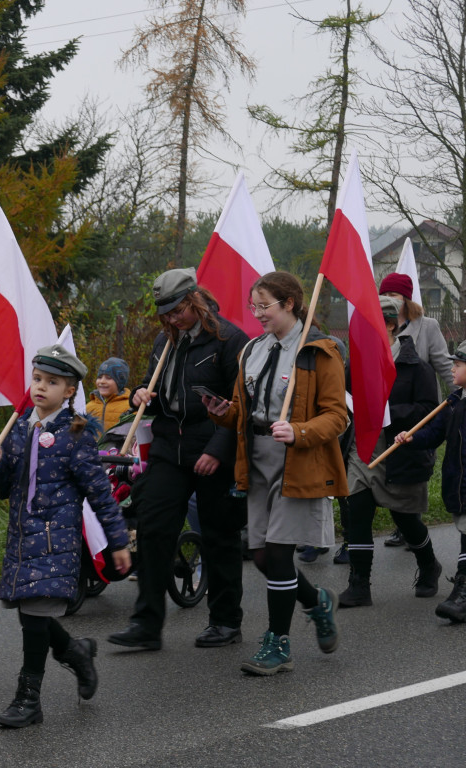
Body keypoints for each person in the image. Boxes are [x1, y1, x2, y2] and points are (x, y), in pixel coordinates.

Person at [0, 345, 131, 728]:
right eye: (37, 379)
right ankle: (77, 653)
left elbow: (99, 492)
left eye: (52, 382)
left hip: (54, 541)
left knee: (33, 617)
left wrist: (117, 540)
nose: (41, 387)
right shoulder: (20, 427)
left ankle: (28, 699)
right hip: (21, 538)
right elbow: (3, 488)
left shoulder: (75, 435)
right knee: (32, 616)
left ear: (69, 391)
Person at [204, 271, 346, 676]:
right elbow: (242, 410)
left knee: (281, 552)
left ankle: (278, 644)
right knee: (264, 556)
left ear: (290, 303)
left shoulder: (319, 351)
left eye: (264, 305)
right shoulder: (252, 349)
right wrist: (224, 413)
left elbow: (337, 416)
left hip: (299, 461)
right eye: (254, 306)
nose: (257, 313)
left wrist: (299, 431)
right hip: (257, 460)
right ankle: (317, 601)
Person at [107, 268, 248, 652]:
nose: (171, 319)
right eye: (165, 314)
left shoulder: (229, 340)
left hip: (212, 446)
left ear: (196, 301)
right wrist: (138, 393)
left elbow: (242, 406)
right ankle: (147, 624)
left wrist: (217, 450)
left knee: (220, 534)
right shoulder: (163, 340)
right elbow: (152, 384)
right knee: (152, 526)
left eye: (178, 311)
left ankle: (224, 621)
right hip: (171, 447)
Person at [339, 296, 442, 607]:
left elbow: (428, 410)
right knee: (356, 512)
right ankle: (359, 584)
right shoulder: (354, 364)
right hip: (363, 450)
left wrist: (388, 411)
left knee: (405, 519)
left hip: (399, 453)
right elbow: (343, 397)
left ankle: (428, 565)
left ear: (391, 325)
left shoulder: (416, 367)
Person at [378, 272, 453, 549]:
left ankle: (411, 522)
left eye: (394, 297)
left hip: (418, 408)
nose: (389, 301)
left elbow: (445, 366)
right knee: (386, 469)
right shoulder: (378, 325)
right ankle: (404, 523)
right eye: (384, 296)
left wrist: (460, 398)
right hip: (385, 409)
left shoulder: (427, 326)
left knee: (413, 464)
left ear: (406, 300)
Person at [395, 339, 466, 624]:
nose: (451, 369)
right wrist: (413, 438)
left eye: (458, 365)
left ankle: (461, 593)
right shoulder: (452, 404)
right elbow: (434, 434)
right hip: (459, 484)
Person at [85, 357, 132, 434]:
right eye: (99, 377)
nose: (102, 381)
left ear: (120, 382)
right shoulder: (89, 407)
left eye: (108, 378)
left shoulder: (129, 407)